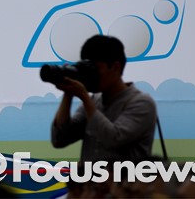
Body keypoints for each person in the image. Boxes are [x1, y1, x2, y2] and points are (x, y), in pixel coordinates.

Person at [50, 34, 157, 163]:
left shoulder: (142, 103)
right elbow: (59, 139)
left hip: (125, 176)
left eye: (95, 69)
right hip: (89, 177)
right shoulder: (94, 101)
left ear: (116, 67)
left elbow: (114, 139)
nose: (91, 75)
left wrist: (84, 97)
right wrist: (68, 93)